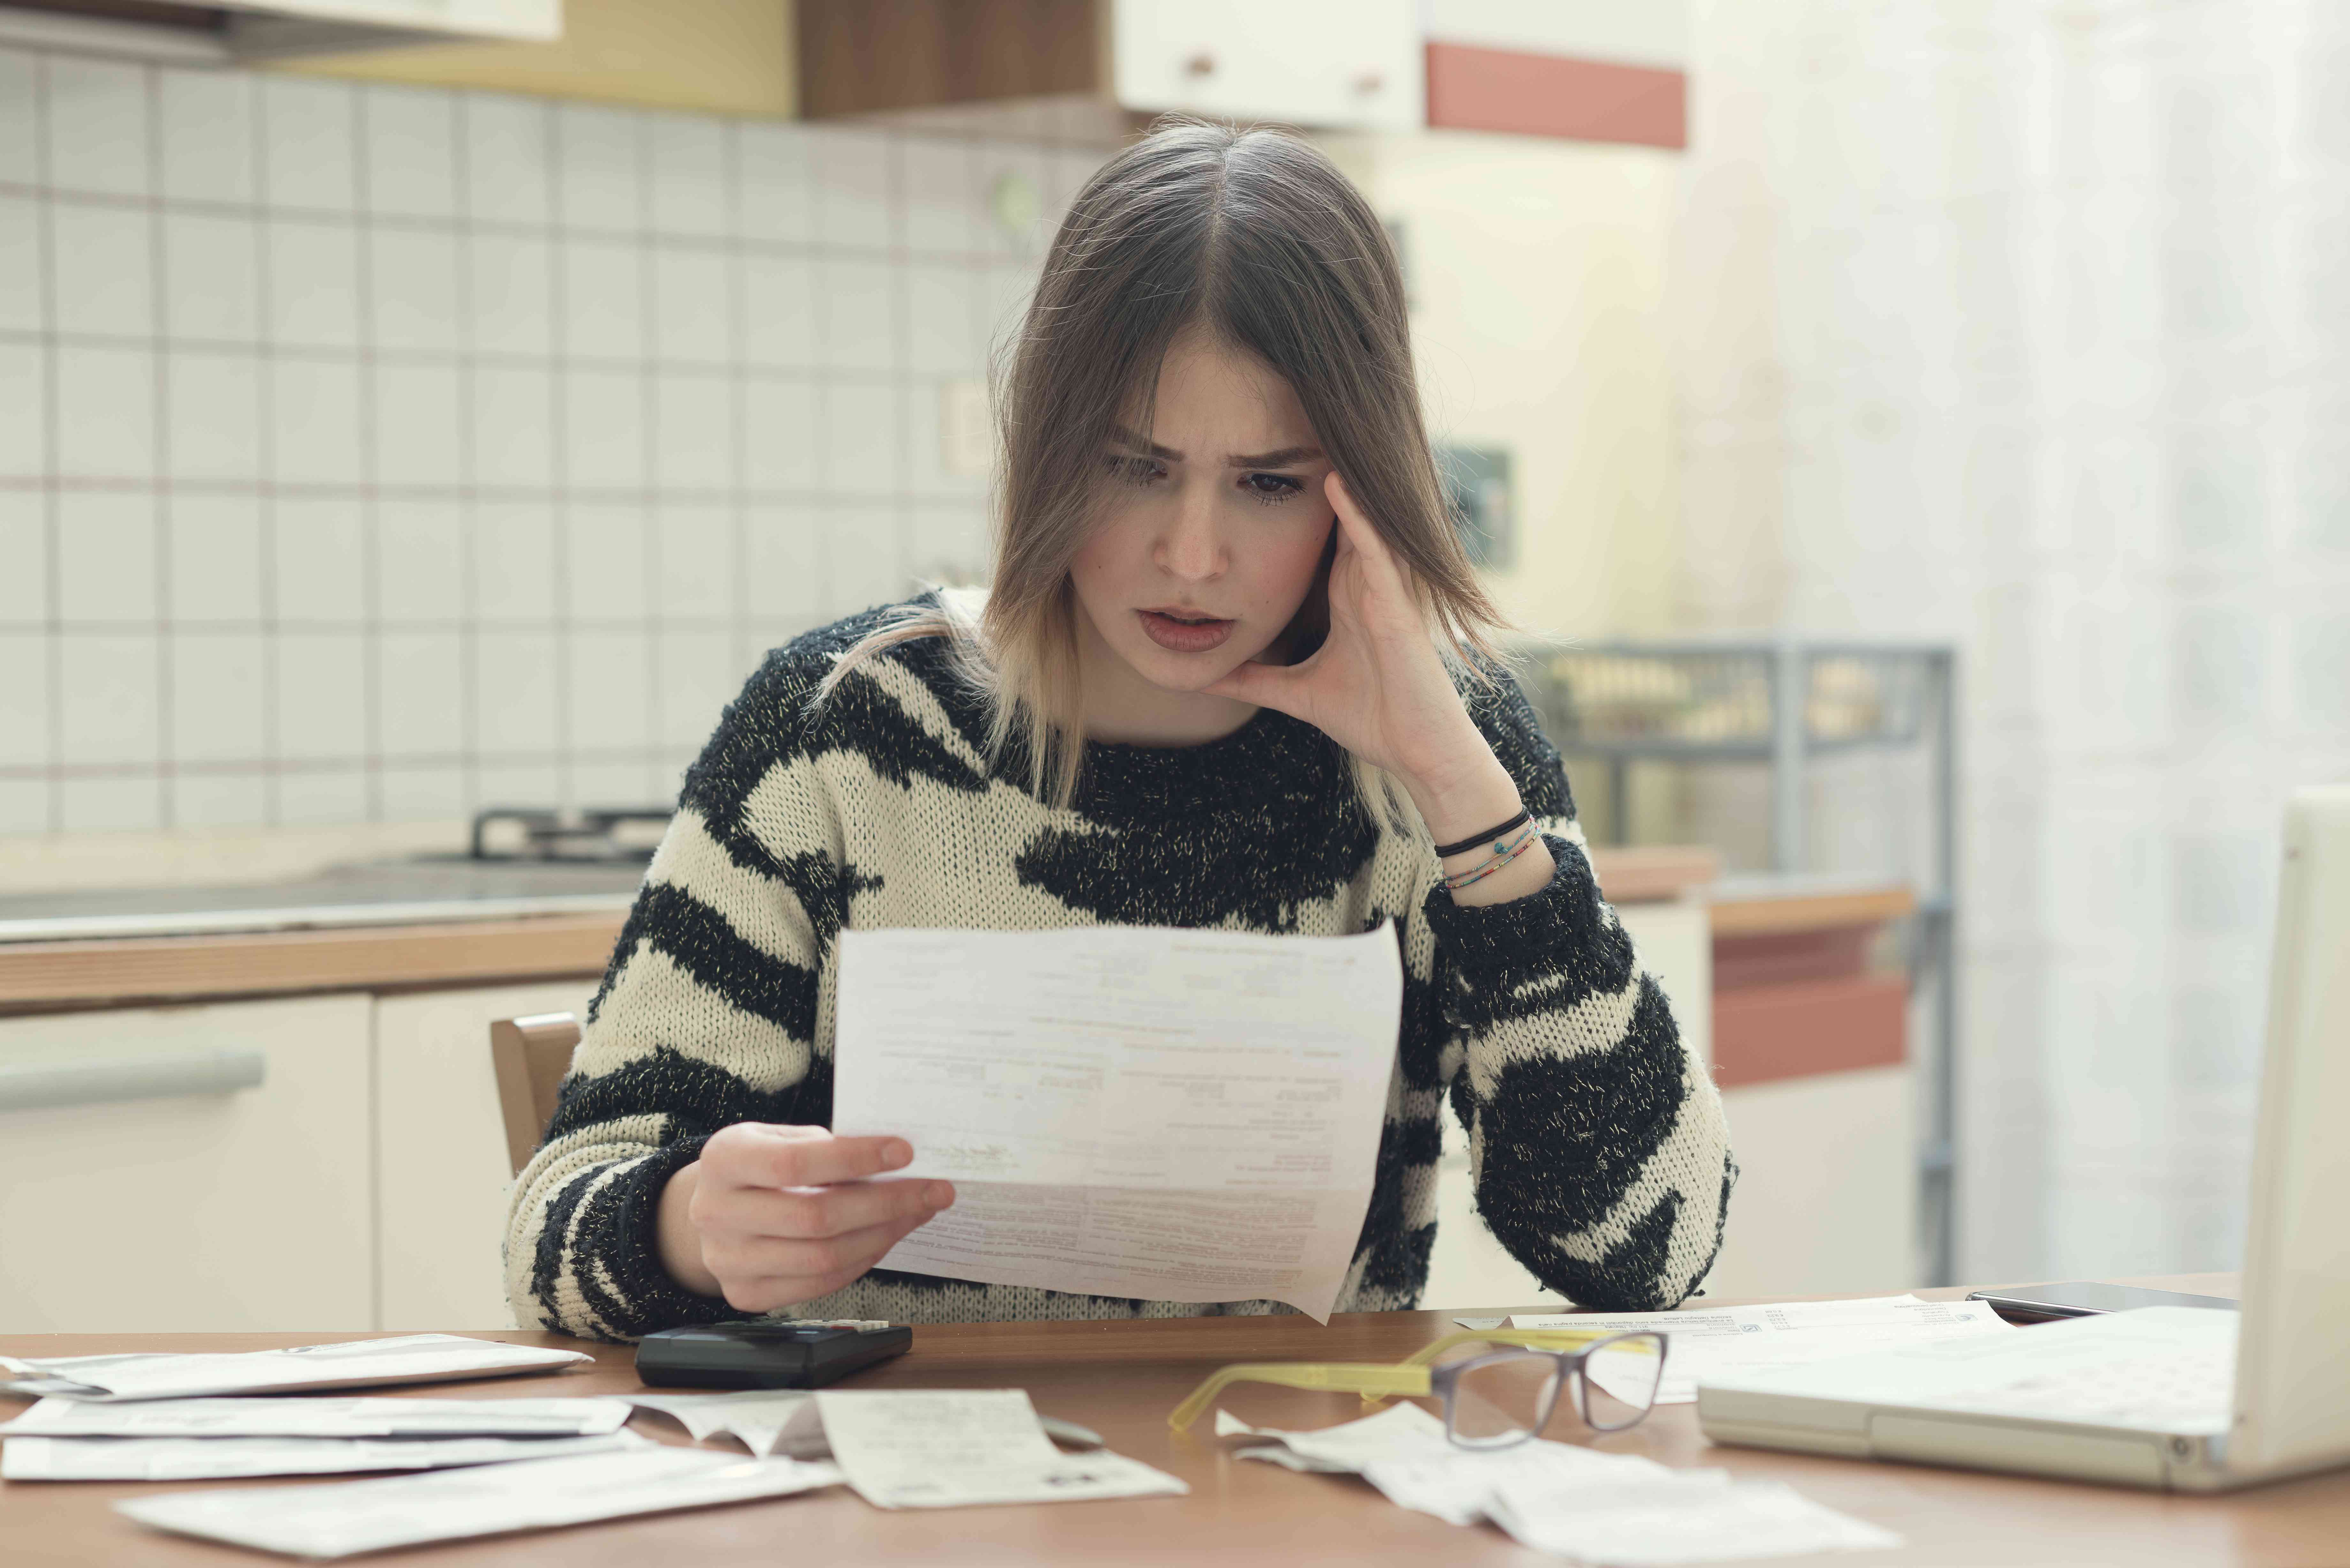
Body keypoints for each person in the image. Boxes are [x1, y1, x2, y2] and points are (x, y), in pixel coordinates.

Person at [505, 119, 1733, 1341]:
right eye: (1135, 467)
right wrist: (684, 1224)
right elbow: (551, 1227)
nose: (1191, 557)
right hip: (907, 1502)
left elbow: (1656, 1252)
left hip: (1289, 1498)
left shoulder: (1438, 751)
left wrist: (1464, 791)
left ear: (1362, 484)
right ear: (1045, 456)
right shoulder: (843, 730)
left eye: (1269, 483)